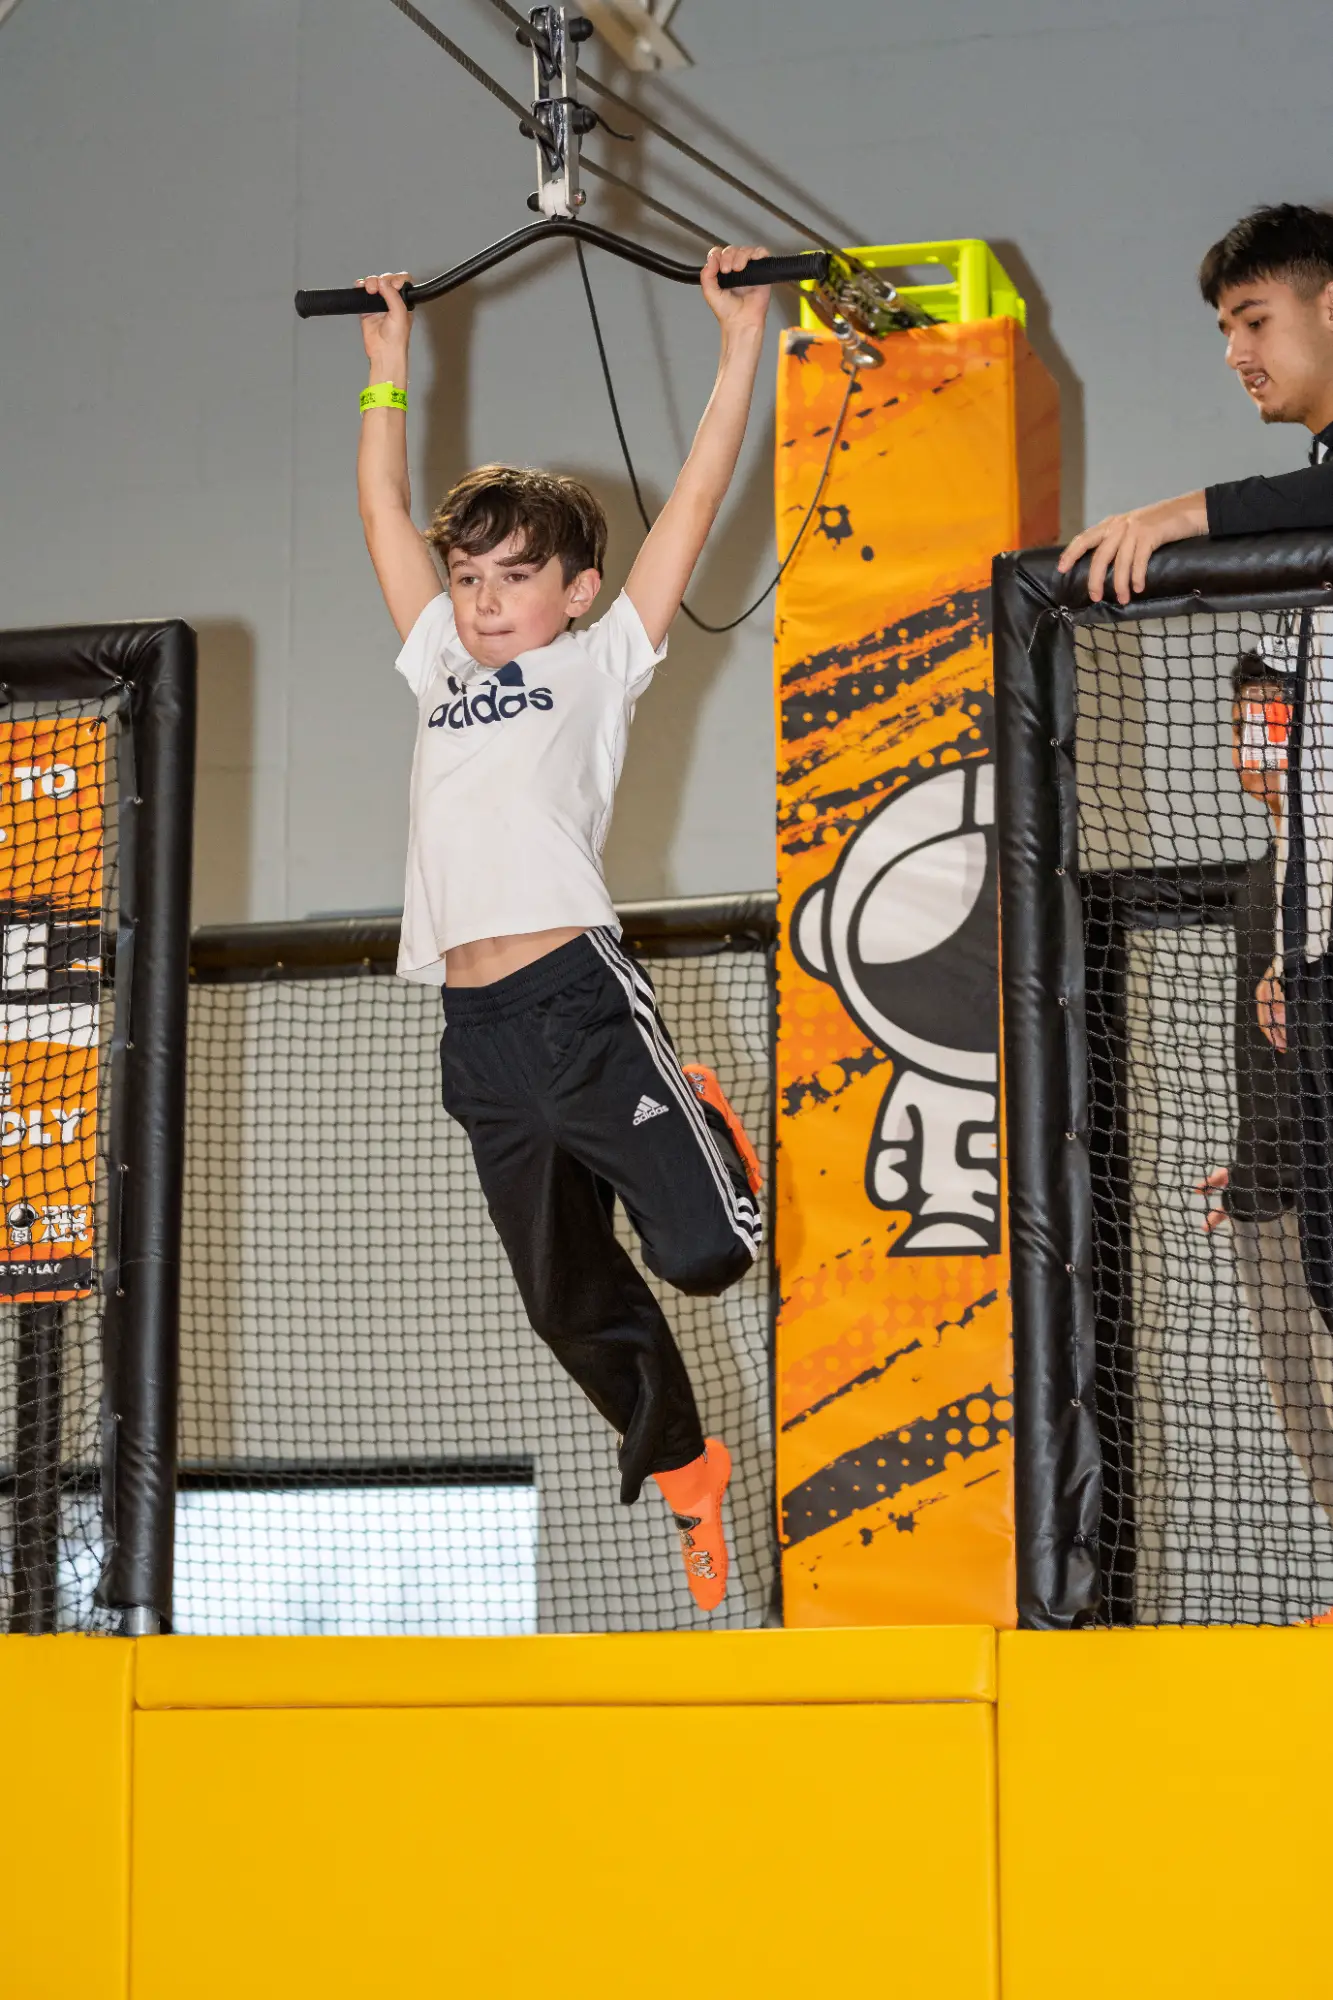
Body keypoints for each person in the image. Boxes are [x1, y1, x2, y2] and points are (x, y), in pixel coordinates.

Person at [353, 247, 772, 1614]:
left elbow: (693, 503)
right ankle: (687, 1463)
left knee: (710, 1255)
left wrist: (738, 349)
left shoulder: (598, 664)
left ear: (576, 591)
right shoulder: (436, 662)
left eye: (513, 577)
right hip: (474, 1032)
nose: (482, 601)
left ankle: (699, 1122)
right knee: (561, 1299)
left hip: (578, 1005)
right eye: (467, 577)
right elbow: (380, 512)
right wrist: (386, 373)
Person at [1194, 657, 1333, 1597]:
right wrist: (1249, 1155)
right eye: (1244, 722)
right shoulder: (1260, 878)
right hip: (1265, 1194)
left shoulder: (1322, 877)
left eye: (1274, 719)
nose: (1256, 741)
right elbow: (1271, 1050)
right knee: (1306, 1419)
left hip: (1319, 1188)